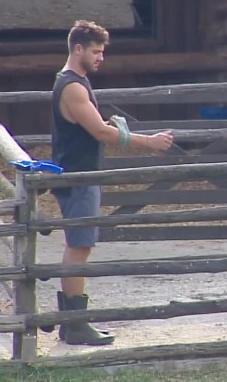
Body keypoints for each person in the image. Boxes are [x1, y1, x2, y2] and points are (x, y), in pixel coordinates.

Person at [49, 20, 174, 346]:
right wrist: (148, 142)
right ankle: (74, 323)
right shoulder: (73, 87)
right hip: (79, 176)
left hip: (80, 174)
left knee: (80, 245)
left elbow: (96, 127)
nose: (100, 57)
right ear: (78, 49)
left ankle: (71, 320)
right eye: (96, 51)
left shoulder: (76, 83)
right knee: (79, 246)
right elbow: (100, 133)